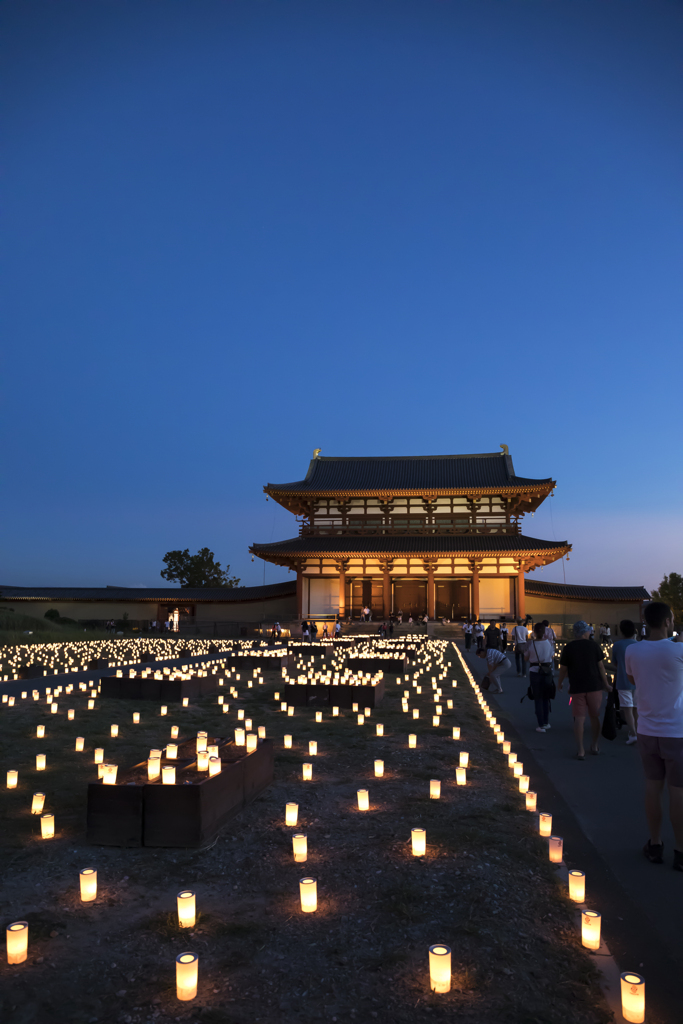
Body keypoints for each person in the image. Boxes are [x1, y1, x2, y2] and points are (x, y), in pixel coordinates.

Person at [624, 602, 683, 870]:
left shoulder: (633, 650)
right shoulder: (679, 650)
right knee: (678, 790)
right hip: (677, 731)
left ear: (645, 622)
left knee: (653, 786)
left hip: (647, 729)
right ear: (669, 621)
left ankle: (656, 844)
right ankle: (680, 852)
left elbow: (633, 680)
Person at [558, 620, 613, 760]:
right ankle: (594, 745)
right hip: (594, 686)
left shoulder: (569, 647)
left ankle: (581, 750)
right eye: (589, 630)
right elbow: (601, 667)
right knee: (595, 716)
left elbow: (563, 669)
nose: (590, 632)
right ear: (584, 632)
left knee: (579, 718)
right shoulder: (593, 646)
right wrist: (606, 684)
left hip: (577, 686)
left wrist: (559, 683)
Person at [611, 619, 638, 744]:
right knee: (636, 708)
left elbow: (615, 663)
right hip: (638, 681)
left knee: (627, 708)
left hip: (623, 680)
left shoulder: (617, 645)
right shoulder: (639, 645)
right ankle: (637, 731)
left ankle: (633, 733)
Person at [526, 621, 555, 732]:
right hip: (547, 671)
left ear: (533, 631)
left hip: (534, 671)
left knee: (537, 697)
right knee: (546, 697)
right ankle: (546, 722)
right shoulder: (549, 643)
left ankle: (541, 724)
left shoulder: (530, 644)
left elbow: (525, 658)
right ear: (544, 632)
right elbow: (552, 657)